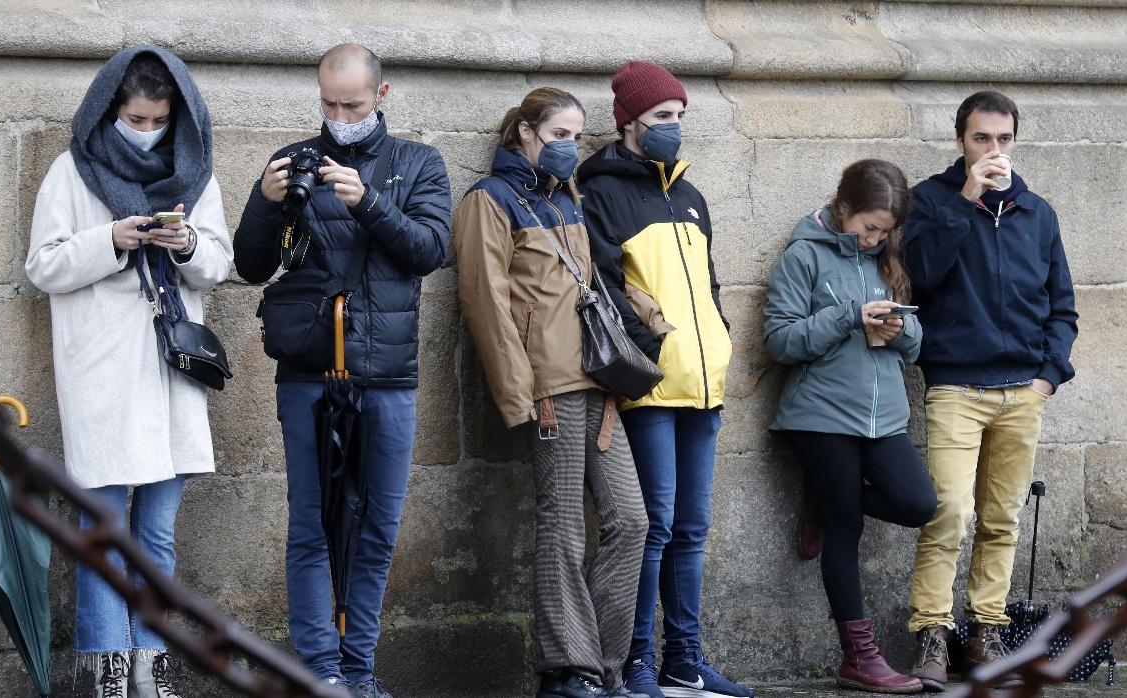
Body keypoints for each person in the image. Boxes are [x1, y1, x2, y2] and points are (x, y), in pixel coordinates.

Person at [232, 43, 451, 698]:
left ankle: (359, 671)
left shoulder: (418, 163)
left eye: (352, 105)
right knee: (311, 525)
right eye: (328, 104)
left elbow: (431, 250)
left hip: (387, 375)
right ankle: (321, 672)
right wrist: (265, 202)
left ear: (381, 95)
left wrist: (368, 204)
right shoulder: (291, 162)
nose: (339, 115)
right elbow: (250, 265)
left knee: (377, 526)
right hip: (308, 373)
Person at [25, 46, 232, 698]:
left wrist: (188, 243)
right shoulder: (72, 171)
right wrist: (110, 240)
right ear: (112, 108)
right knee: (103, 541)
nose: (146, 131)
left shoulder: (193, 171)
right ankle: (109, 682)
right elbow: (43, 266)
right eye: (136, 118)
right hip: (105, 380)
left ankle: (154, 677)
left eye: (158, 120)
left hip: (171, 378)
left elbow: (220, 263)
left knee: (157, 539)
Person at [452, 87, 648, 698]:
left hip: (598, 380)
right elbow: (486, 304)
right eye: (559, 135)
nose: (569, 147)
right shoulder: (489, 200)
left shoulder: (567, 198)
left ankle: (606, 667)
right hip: (549, 389)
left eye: (576, 137)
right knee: (563, 527)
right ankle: (567, 671)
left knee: (632, 521)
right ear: (524, 133)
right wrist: (519, 394)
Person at [578, 60, 751, 698]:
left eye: (678, 117)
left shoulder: (692, 196)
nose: (673, 129)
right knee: (655, 527)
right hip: (650, 388)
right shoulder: (600, 193)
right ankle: (638, 659)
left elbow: (705, 287)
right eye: (660, 119)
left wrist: (721, 341)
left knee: (692, 529)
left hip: (704, 387)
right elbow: (600, 286)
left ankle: (685, 655)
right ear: (629, 122)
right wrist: (650, 347)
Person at [903, 91, 1078, 691]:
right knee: (948, 512)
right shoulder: (930, 200)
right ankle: (931, 633)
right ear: (961, 141)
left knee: (1001, 518)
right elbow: (920, 274)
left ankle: (988, 631)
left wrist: (1048, 375)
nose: (993, 151)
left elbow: (1062, 305)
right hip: (956, 386)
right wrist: (968, 198)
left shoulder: (1039, 212)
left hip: (1022, 390)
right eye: (982, 139)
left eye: (1003, 139)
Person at [765, 160, 935, 694]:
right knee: (846, 529)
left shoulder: (886, 259)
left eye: (885, 231)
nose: (875, 238)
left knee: (919, 504)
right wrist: (848, 317)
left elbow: (917, 343)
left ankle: (830, 496)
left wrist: (899, 330)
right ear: (843, 209)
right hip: (820, 415)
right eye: (868, 227)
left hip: (882, 418)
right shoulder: (803, 255)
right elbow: (780, 341)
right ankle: (859, 659)